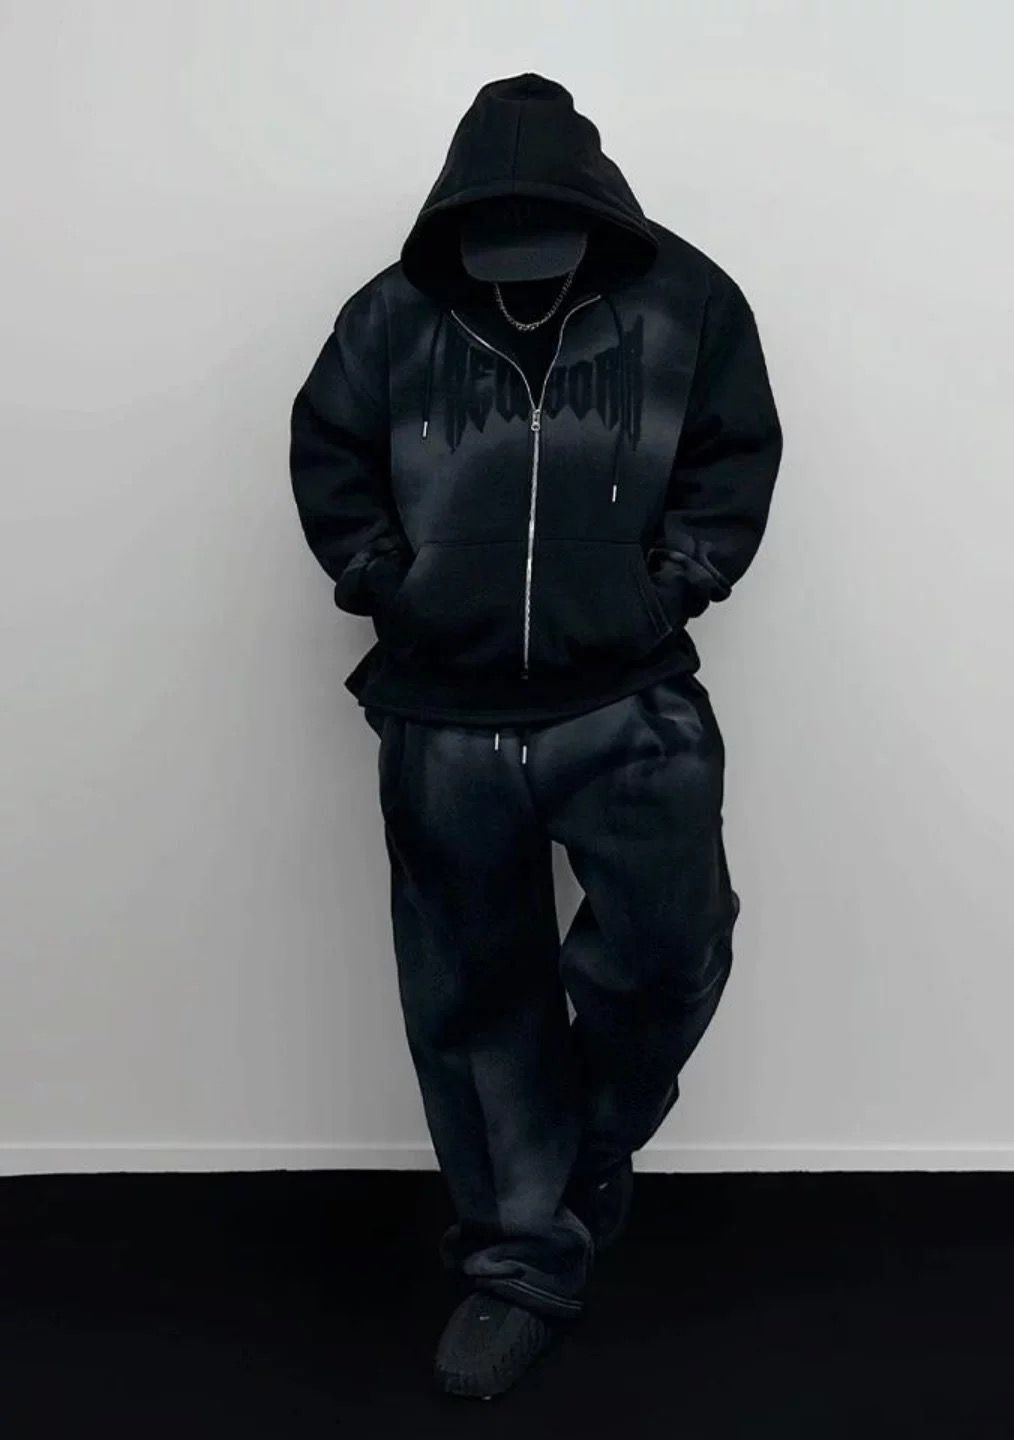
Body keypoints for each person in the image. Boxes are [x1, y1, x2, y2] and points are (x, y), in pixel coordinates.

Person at [289, 72, 783, 1399]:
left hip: (629, 702)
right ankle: (520, 1265)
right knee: (471, 995)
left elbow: (733, 457)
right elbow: (329, 460)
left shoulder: (688, 304)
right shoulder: (389, 318)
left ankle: (583, 1153)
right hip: (443, 718)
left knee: (673, 950)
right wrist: (391, 584)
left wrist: (668, 586)